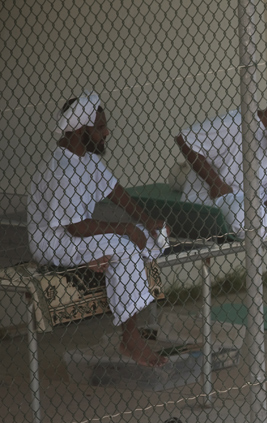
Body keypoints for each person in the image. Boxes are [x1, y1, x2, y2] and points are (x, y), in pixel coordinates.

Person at [28, 91, 169, 367]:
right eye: (101, 127)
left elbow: (118, 194)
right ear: (82, 129)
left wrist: (147, 221)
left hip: (76, 238)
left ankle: (98, 260)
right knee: (126, 245)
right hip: (52, 242)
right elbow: (77, 227)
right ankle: (130, 338)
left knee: (151, 239)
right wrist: (125, 229)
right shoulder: (62, 169)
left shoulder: (88, 160)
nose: (108, 132)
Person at [175, 88, 267, 238]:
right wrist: (216, 183)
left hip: (258, 198)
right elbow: (185, 139)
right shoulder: (235, 123)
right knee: (245, 213)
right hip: (217, 198)